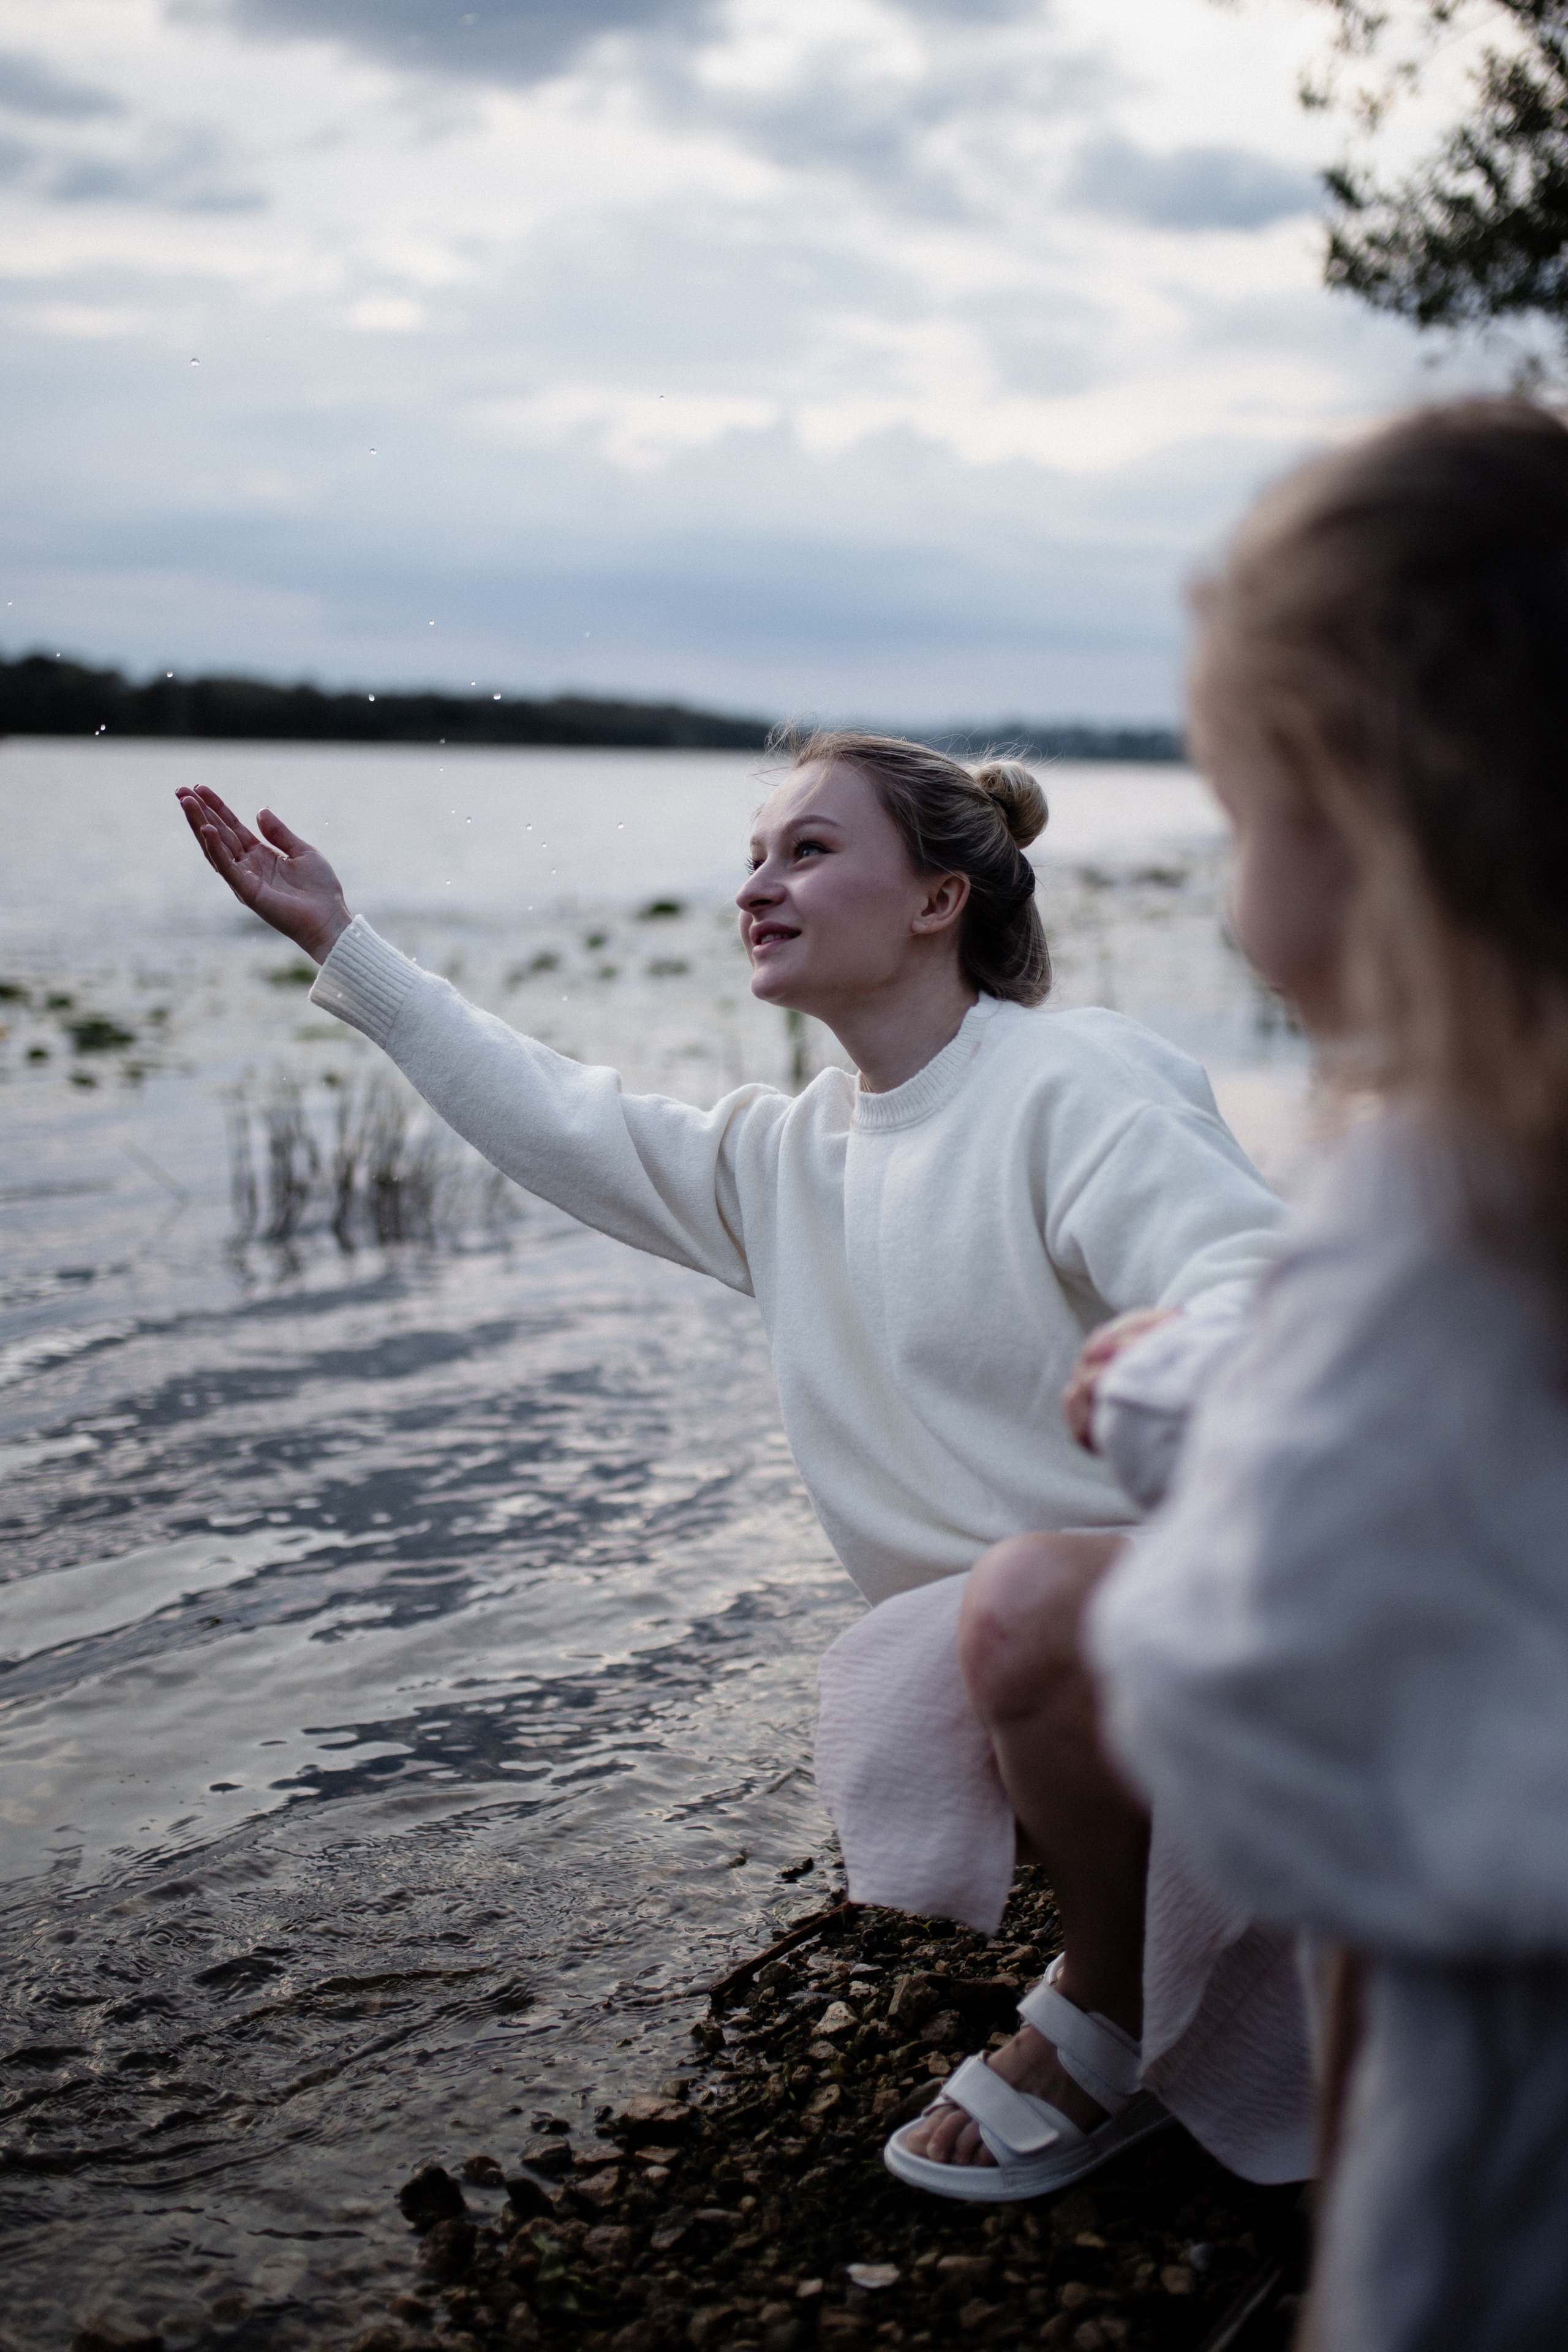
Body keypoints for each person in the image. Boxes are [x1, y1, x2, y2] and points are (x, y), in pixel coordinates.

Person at [176, 727, 1286, 2187]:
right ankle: (1137, 1896)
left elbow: (1250, 1277)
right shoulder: (788, 1153)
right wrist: (344, 943)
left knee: (1012, 1604)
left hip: (1247, 1613)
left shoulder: (1069, 1079)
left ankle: (1111, 2006)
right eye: (751, 858)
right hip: (1036, 1659)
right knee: (956, 1642)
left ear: (937, 899)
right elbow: (559, 1116)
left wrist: (1181, 1358)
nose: (755, 887)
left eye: (806, 852)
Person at [1075, 399, 1568, 2349]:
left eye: (1239, 816)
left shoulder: (1444, 1200)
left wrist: (1158, 1418)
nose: (1228, 896)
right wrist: (1239, 1380)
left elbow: (1247, 1699)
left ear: (1379, 823)